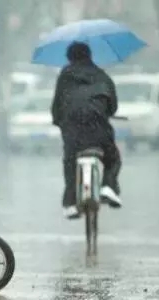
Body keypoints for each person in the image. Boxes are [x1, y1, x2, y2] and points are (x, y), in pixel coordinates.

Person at [51, 41, 123, 219]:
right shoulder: (102, 75)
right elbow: (113, 107)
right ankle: (108, 186)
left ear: (69, 58)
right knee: (113, 158)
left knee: (69, 162)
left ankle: (70, 203)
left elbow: (56, 107)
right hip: (99, 130)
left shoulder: (65, 76)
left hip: (72, 132)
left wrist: (58, 122)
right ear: (90, 56)